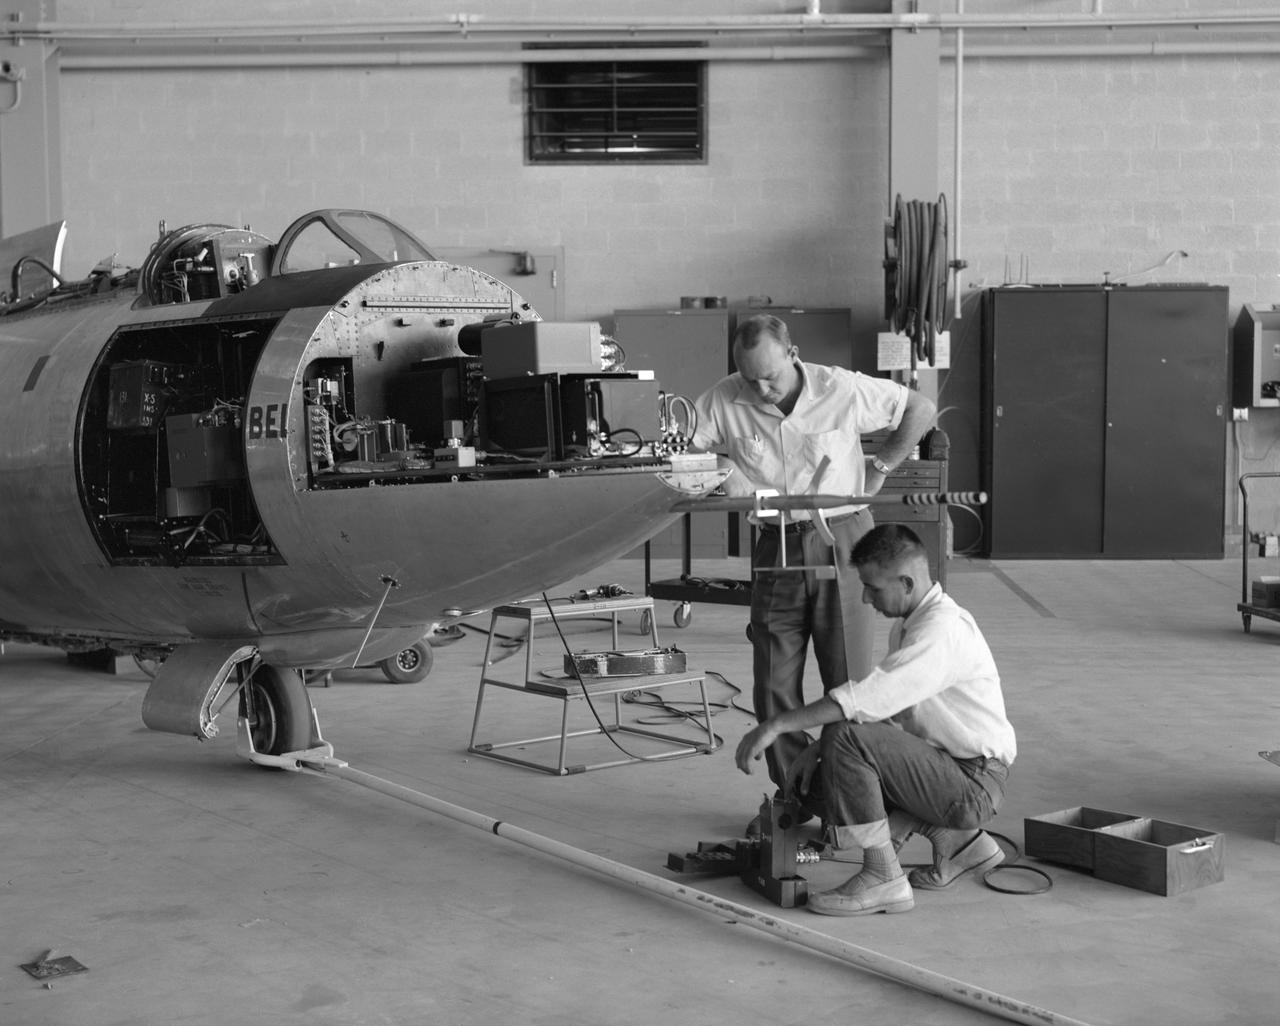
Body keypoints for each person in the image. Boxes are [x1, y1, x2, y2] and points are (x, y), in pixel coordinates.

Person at [692, 313, 935, 831]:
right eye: (748, 377)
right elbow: (680, 452)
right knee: (772, 682)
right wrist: (722, 473)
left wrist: (882, 466)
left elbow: (921, 407)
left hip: (843, 540)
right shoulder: (721, 400)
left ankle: (850, 801)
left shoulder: (840, 388)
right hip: (774, 546)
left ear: (793, 354)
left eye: (770, 377)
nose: (759, 389)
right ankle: (800, 795)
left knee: (845, 677)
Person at [734, 523, 1016, 916]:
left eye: (873, 587)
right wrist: (816, 749)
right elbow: (890, 713)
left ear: (906, 581)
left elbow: (866, 700)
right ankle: (962, 845)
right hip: (953, 772)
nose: (866, 598)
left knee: (845, 735)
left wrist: (776, 725)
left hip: (972, 783)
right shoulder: (910, 625)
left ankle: (883, 877)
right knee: (824, 773)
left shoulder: (940, 632)